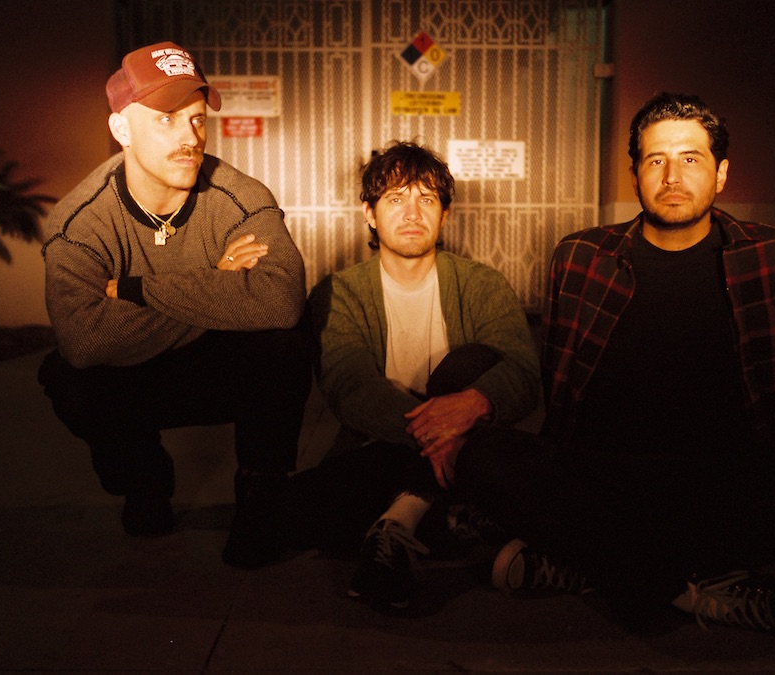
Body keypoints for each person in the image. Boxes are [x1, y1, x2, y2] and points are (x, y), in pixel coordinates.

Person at [455, 93, 775, 638]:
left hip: (717, 480)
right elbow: (558, 378)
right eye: (656, 160)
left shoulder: (772, 256)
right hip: (598, 475)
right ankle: (695, 588)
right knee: (481, 455)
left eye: (691, 158)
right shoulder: (581, 256)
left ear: (721, 173)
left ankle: (589, 565)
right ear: (635, 175)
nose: (672, 176)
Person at [37, 41, 312, 569]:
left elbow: (280, 300)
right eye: (166, 119)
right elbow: (84, 338)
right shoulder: (80, 223)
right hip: (132, 379)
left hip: (217, 368)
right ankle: (142, 479)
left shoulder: (239, 197)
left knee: (285, 346)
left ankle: (259, 496)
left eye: (197, 119)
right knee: (69, 377)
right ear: (121, 130)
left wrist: (137, 289)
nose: (190, 138)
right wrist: (218, 286)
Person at [285, 141, 540, 609]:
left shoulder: (481, 285)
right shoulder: (339, 292)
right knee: (284, 516)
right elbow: (350, 387)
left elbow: (522, 372)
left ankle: (399, 523)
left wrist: (476, 402)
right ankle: (446, 517)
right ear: (369, 213)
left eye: (427, 199)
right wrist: (437, 434)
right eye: (395, 198)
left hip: (470, 445)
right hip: (379, 445)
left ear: (445, 214)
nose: (412, 212)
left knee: (469, 366)